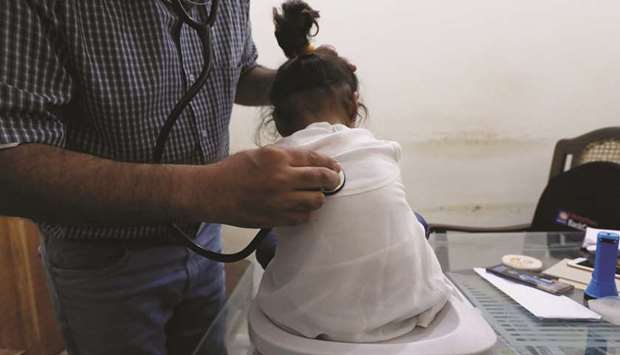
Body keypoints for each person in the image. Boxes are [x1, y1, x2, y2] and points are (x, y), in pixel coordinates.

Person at [0, 1, 344, 354]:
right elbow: (9, 167)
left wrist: (292, 82)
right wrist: (206, 190)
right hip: (104, 263)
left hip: (203, 239)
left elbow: (234, 73)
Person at [256, 0, 449, 342]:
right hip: (413, 310)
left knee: (270, 240)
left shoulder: (275, 161)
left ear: (279, 121)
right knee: (414, 221)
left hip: (309, 323)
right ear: (354, 106)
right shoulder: (382, 149)